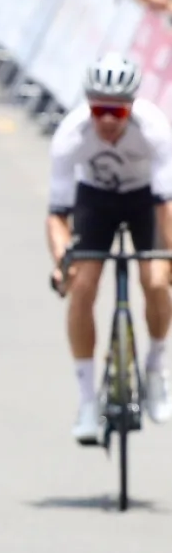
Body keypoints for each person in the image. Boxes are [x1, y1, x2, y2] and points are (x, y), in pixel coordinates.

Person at [47, 53, 172, 443]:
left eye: (116, 111)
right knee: (82, 286)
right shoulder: (71, 135)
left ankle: (156, 368)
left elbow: (166, 207)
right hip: (95, 200)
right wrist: (62, 261)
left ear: (131, 107)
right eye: (98, 109)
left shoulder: (153, 129)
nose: (106, 120)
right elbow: (57, 216)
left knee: (156, 280)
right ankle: (87, 401)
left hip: (144, 200)